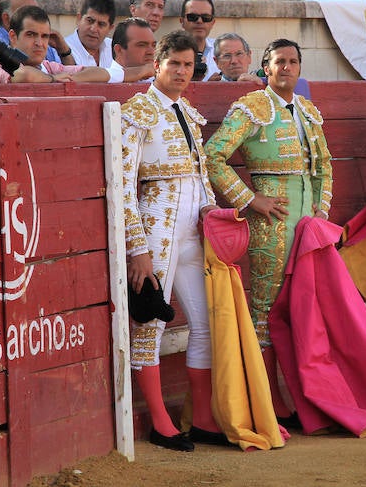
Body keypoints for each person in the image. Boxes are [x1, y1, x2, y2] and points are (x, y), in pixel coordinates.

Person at [205, 38, 333, 424]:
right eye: (280, 62)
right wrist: (248, 200)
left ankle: (299, 397)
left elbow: (324, 165)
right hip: (271, 223)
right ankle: (268, 404)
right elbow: (214, 156)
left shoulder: (308, 110)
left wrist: (321, 214)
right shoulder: (251, 106)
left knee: (302, 308)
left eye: (294, 61)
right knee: (266, 310)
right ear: (266, 67)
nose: (287, 68)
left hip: (307, 223)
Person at [122, 29, 224, 452]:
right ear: (157, 64)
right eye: (175, 64)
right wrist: (137, 248)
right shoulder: (137, 111)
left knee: (204, 324)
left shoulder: (187, 111)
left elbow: (201, 176)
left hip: (191, 231)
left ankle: (200, 418)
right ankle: (162, 423)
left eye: (188, 64)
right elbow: (124, 184)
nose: (182, 71)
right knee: (151, 326)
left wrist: (211, 212)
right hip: (157, 228)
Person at [0, 5, 144, 82]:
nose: (39, 43)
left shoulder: (47, 66)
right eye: (31, 35)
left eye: (44, 36)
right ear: (12, 36)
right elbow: (22, 75)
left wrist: (71, 78)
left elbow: (99, 73)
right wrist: (52, 80)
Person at [0, 0, 70, 63]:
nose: (39, 43)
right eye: (26, 13)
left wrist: (63, 50)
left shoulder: (44, 42)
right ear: (6, 19)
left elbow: (69, 72)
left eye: (36, 13)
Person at [65, 0, 116, 67]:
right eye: (90, 21)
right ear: (79, 19)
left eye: (101, 24)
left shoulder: (115, 49)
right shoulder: (63, 50)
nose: (93, 29)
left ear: (110, 28)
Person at [179, 0, 219, 79]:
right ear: (182, 21)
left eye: (206, 17)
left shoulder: (222, 50)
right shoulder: (168, 51)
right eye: (193, 17)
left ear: (213, 23)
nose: (199, 21)